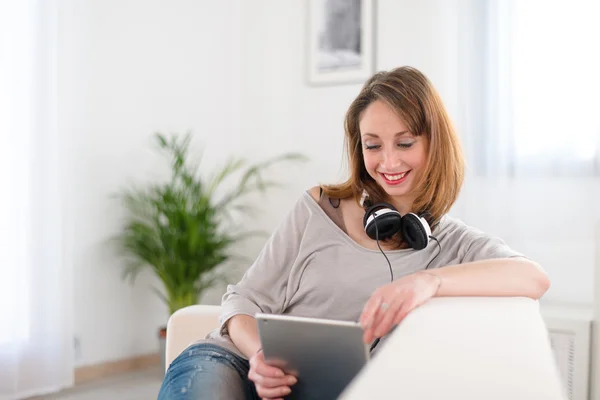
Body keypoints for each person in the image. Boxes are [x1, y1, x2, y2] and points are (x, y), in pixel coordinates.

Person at [157, 66, 550, 400]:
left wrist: (427, 281)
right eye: (373, 145)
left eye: (405, 142)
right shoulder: (319, 207)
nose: (388, 161)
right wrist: (259, 355)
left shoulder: (452, 243)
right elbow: (242, 298)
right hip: (231, 359)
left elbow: (533, 276)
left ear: (435, 143)